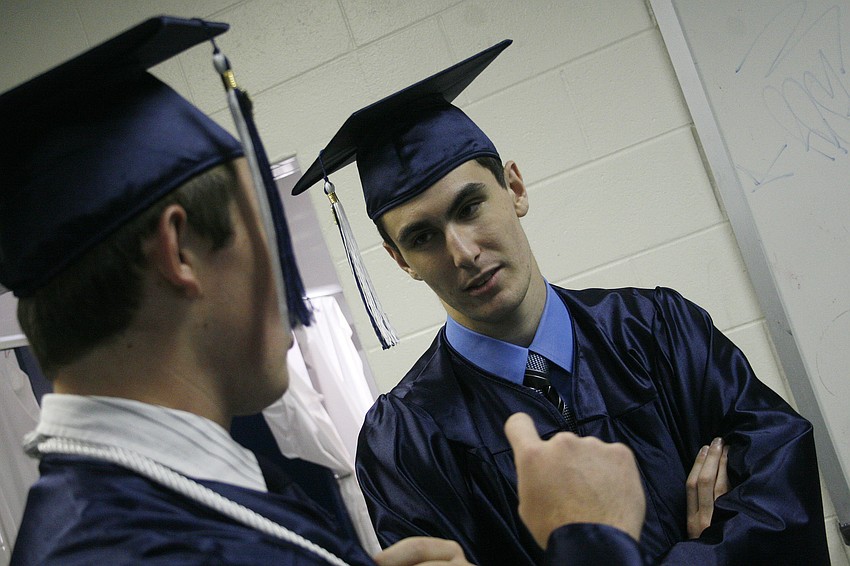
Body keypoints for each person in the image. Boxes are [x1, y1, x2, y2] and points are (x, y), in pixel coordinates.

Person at [1, 17, 656, 566]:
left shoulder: (161, 507)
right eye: (259, 232)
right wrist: (590, 542)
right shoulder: (133, 547)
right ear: (180, 252)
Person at [291, 39, 830, 565]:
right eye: (422, 237)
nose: (463, 251)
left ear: (515, 188)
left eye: (471, 206)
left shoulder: (658, 331)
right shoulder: (407, 442)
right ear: (399, 259)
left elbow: (779, 485)